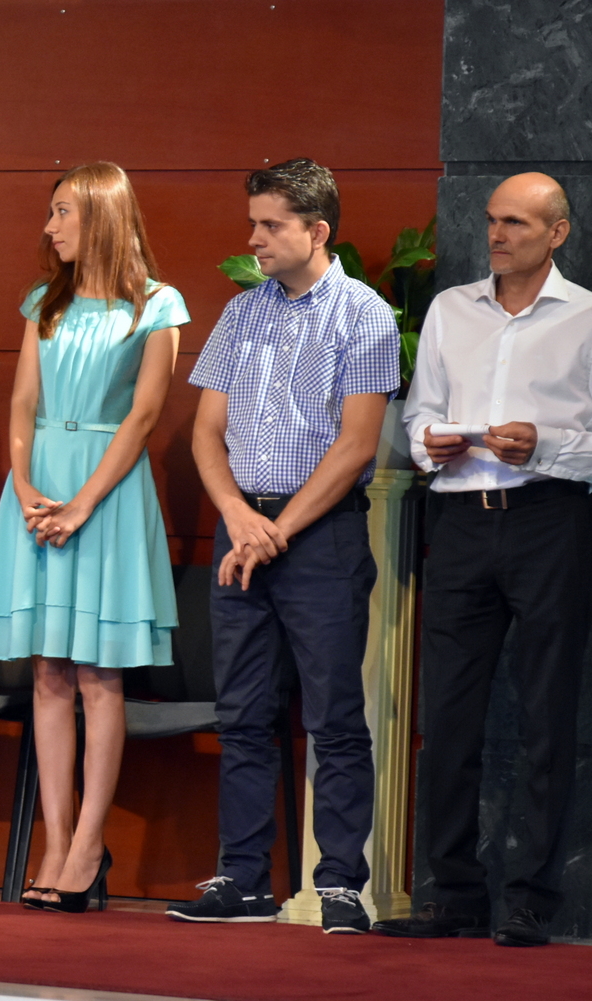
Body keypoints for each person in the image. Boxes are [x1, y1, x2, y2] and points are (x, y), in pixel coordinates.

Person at [375, 173, 592, 947]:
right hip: (461, 522)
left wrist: (546, 445)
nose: (497, 235)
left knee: (547, 714)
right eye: (491, 220)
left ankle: (532, 898)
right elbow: (419, 414)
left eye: (516, 223)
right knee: (447, 714)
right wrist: (429, 444)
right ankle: (452, 895)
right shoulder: (452, 309)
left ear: (558, 233)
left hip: (550, 521)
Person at [169, 159, 399, 933]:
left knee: (333, 715)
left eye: (271, 225)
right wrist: (238, 515)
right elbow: (207, 432)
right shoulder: (243, 313)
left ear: (316, 230)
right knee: (241, 712)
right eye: (254, 223)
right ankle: (242, 879)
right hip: (242, 531)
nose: (254, 239)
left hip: (319, 537)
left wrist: (277, 530)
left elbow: (356, 443)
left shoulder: (364, 314)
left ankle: (340, 885)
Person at [0, 162, 187, 913]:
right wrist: (24, 486)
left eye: (63, 212)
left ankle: (90, 846)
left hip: (108, 494)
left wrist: (84, 502)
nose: (50, 226)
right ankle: (55, 843)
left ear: (101, 215)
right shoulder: (44, 302)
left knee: (99, 675)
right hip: (38, 494)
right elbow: (22, 403)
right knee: (47, 672)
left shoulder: (158, 305)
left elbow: (145, 417)